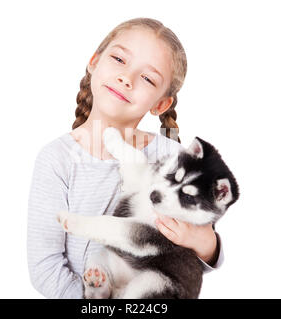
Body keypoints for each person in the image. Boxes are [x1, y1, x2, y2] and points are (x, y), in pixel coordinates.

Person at [27, 17, 223, 299]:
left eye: (147, 78)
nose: (126, 78)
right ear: (94, 61)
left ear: (161, 104)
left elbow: (194, 258)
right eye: (119, 59)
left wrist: (206, 242)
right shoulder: (57, 159)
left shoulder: (172, 156)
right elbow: (45, 267)